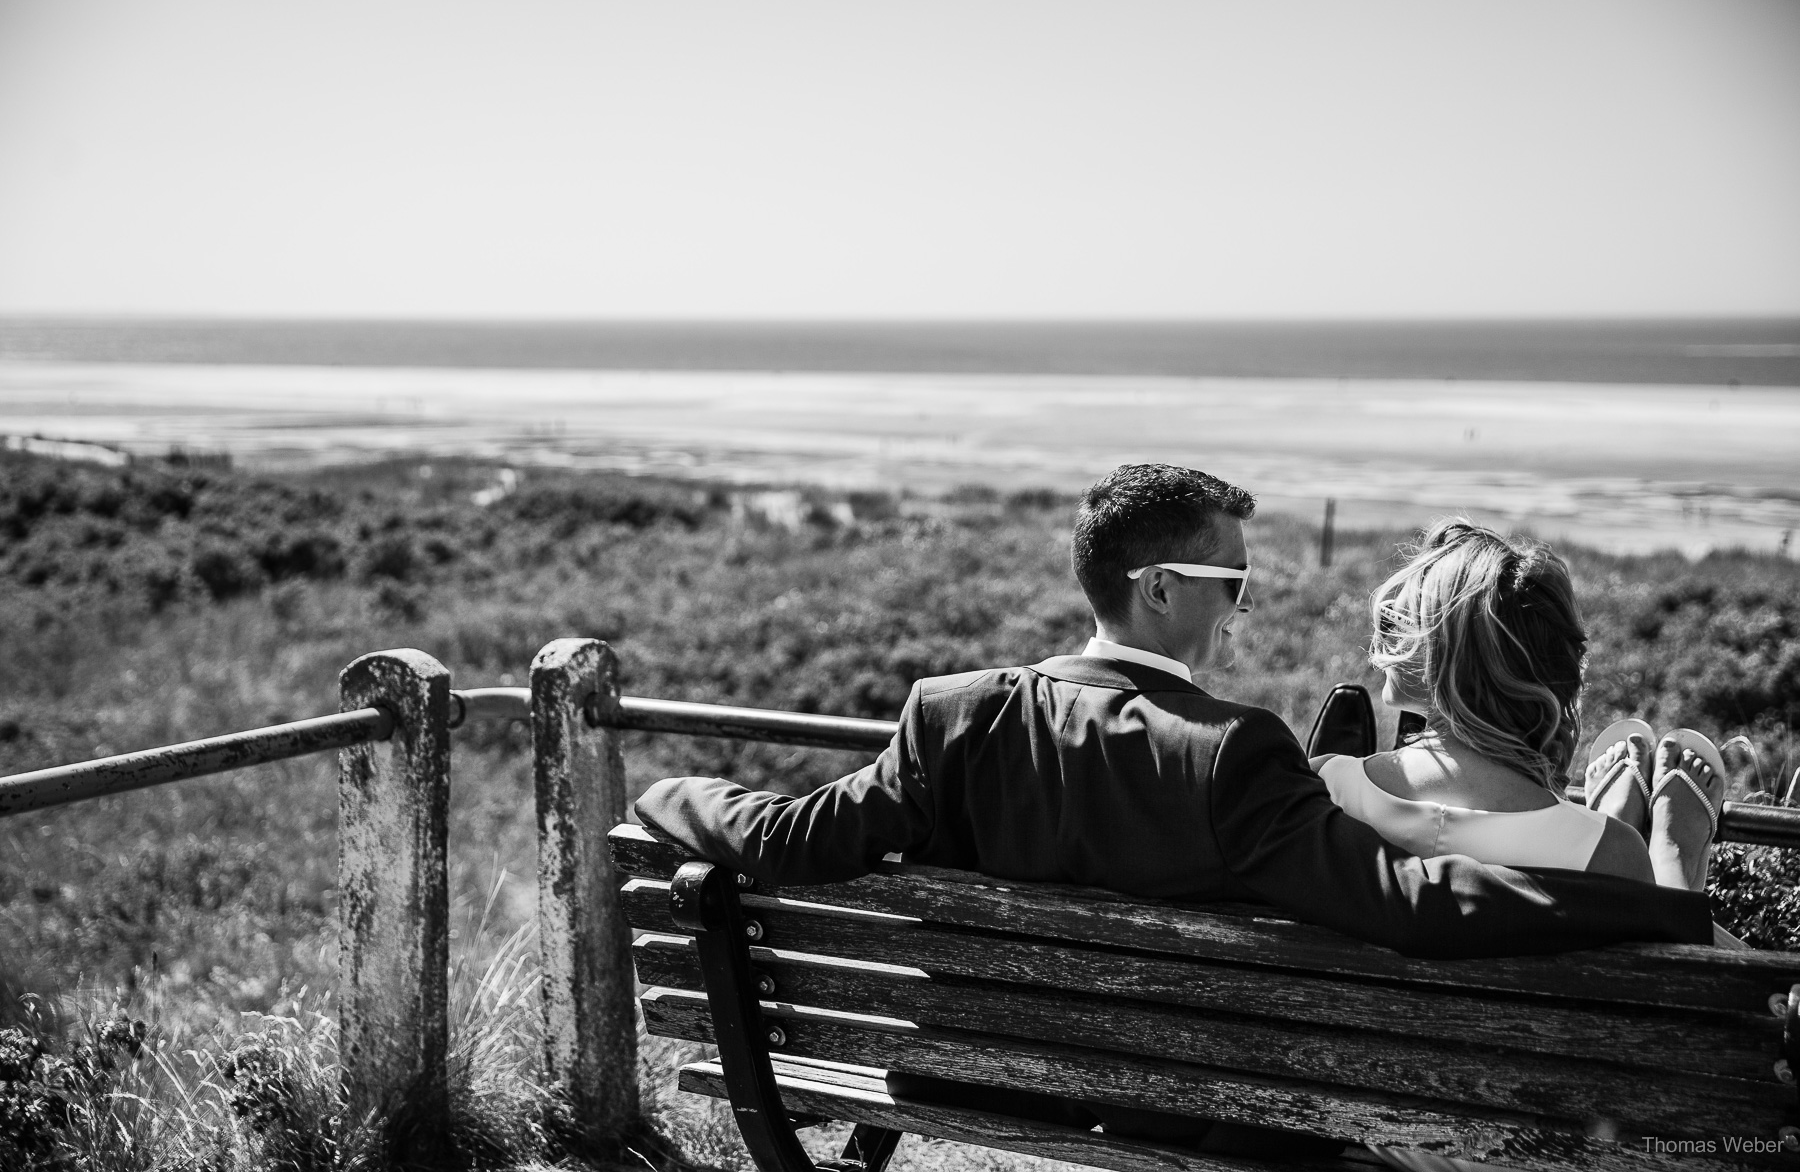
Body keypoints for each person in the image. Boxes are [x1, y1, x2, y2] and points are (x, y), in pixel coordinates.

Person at [634, 464, 1714, 1156]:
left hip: (968, 1071)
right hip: (1182, 1102)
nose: (1242, 609)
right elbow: (1415, 905)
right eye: (1231, 582)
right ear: (1160, 589)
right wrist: (1659, 895)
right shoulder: (1233, 752)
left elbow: (785, 839)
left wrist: (662, 792)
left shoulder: (950, 715)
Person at [1310, 519, 1735, 1172]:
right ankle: (1678, 849)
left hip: (1365, 1129)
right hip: (1531, 1150)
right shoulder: (1608, 855)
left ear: (1443, 662)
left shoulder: (1329, 791)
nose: (1380, 645)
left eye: (1399, 628)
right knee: (1730, 962)